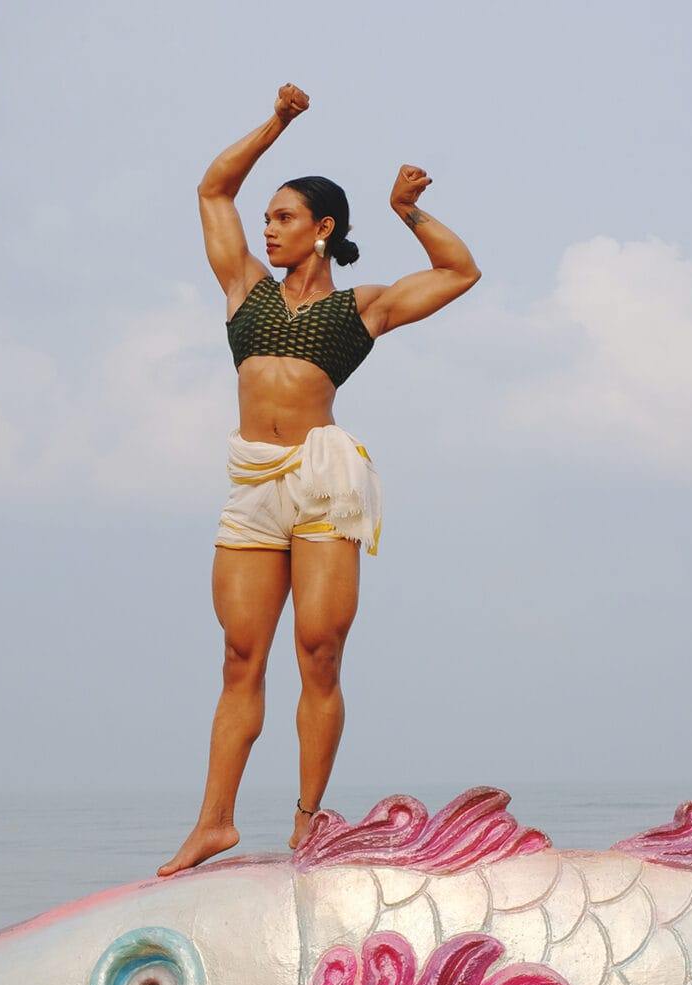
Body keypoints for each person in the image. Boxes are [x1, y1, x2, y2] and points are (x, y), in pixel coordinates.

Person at [158, 84, 480, 876]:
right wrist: (278, 123)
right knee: (240, 653)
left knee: (319, 650)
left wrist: (407, 212)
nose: (267, 229)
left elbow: (460, 271)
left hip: (322, 480)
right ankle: (213, 823)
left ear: (324, 229)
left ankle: (307, 824)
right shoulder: (242, 286)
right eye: (266, 218)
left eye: (285, 217)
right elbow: (213, 188)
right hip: (253, 481)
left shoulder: (364, 310)